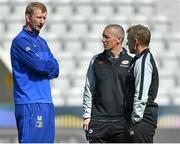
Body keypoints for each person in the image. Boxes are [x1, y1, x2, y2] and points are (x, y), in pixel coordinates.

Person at [10, 2, 59, 143]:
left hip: (46, 102)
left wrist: (46, 67)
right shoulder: (20, 41)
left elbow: (56, 70)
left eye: (44, 18)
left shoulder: (42, 42)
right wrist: (46, 66)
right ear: (28, 17)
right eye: (38, 17)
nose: (41, 22)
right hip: (29, 102)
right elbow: (40, 66)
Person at [82, 24, 133, 143]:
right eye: (103, 36)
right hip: (98, 121)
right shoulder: (95, 60)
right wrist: (86, 116)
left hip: (122, 122)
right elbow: (89, 89)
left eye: (106, 37)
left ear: (119, 40)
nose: (103, 40)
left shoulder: (132, 62)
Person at [125, 24, 159, 143]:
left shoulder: (143, 61)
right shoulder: (140, 59)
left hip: (142, 119)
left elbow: (141, 93)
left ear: (135, 41)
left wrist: (135, 119)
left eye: (128, 40)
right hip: (141, 118)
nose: (126, 44)